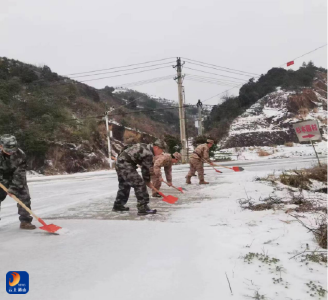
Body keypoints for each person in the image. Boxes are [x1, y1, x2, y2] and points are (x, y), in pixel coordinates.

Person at [112, 139, 167, 215]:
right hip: (126, 165)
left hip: (120, 162)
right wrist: (147, 181)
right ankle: (143, 208)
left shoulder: (145, 146)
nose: (162, 152)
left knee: (125, 185)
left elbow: (127, 147)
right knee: (140, 184)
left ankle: (118, 205)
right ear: (156, 147)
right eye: (162, 150)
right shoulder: (149, 153)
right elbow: (146, 169)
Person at [0, 135, 36, 229]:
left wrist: (13, 189)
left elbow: (20, 174)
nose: (11, 152)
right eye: (8, 150)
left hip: (15, 177)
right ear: (1, 146)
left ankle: (25, 221)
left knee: (24, 197)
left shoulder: (20, 155)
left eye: (13, 149)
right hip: (1, 178)